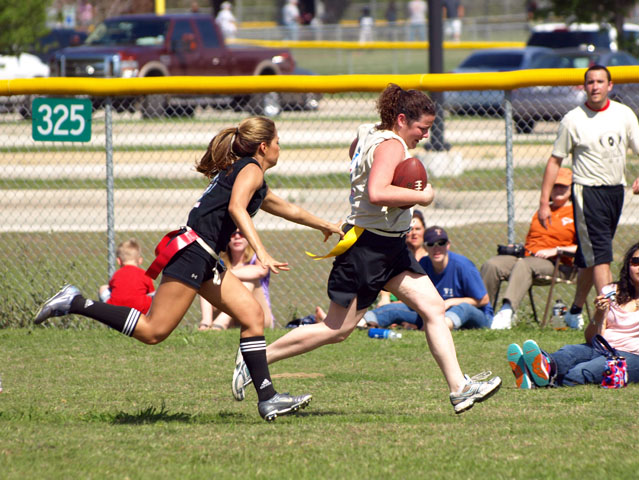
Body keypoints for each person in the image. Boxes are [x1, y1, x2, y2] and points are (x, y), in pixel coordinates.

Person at [33, 116, 343, 422]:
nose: (280, 147)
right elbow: (236, 208)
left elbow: (285, 208)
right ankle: (75, 302)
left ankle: (268, 399)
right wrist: (261, 251)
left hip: (203, 256)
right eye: (277, 142)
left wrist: (325, 225)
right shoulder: (250, 170)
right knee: (154, 331)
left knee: (251, 314)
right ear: (264, 147)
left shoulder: (249, 172)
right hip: (194, 253)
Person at [232, 84, 502, 415]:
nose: (425, 136)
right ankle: (255, 358)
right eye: (422, 128)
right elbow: (376, 191)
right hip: (368, 248)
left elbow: (355, 156)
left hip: (389, 245)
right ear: (401, 119)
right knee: (337, 329)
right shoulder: (391, 144)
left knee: (433, 308)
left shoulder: (368, 132)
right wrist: (422, 195)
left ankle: (459, 388)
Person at [538, 65, 639, 331]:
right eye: (590, 82)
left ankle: (574, 311)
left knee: (590, 257)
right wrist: (543, 202)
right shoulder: (573, 119)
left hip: (615, 190)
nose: (594, 86)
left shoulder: (624, 114)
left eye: (600, 81)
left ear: (610, 85)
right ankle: (610, 317)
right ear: (584, 86)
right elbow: (554, 160)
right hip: (587, 191)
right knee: (602, 255)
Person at [507, 241, 639, 388]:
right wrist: (599, 314)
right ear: (628, 265)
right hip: (601, 349)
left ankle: (533, 378)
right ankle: (543, 365)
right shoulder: (612, 291)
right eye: (636, 261)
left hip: (632, 356)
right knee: (568, 353)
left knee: (580, 372)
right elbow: (591, 338)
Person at [482, 168, 579, 330]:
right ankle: (483, 313)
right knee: (492, 264)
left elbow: (585, 247)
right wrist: (518, 249)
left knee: (525, 265)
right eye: (555, 186)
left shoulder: (577, 212)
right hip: (528, 257)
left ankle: (507, 312)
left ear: (572, 189)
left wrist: (556, 250)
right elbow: (534, 241)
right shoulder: (542, 211)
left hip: (558, 264)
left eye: (564, 186)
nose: (559, 190)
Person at [363, 226, 493, 331]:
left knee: (463, 307)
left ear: (448, 245)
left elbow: (483, 300)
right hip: (435, 314)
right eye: (431, 244)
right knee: (395, 309)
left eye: (441, 243)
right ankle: (363, 322)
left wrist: (451, 302)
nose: (436, 248)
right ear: (425, 247)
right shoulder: (424, 263)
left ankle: (440, 327)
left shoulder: (463, 265)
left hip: (476, 317)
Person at [198, 228, 274, 330]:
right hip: (232, 316)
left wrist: (225, 274)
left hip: (258, 316)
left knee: (247, 280)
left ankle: (221, 323)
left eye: (241, 234)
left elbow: (261, 270)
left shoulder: (257, 256)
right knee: (209, 280)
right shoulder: (220, 260)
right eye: (233, 234)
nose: (237, 237)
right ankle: (206, 323)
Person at [98, 238, 155, 315]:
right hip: (140, 311)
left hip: (116, 310)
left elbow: (112, 288)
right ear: (140, 260)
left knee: (103, 288)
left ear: (118, 261)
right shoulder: (144, 274)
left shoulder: (116, 274)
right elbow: (151, 292)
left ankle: (107, 317)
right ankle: (150, 320)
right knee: (156, 295)